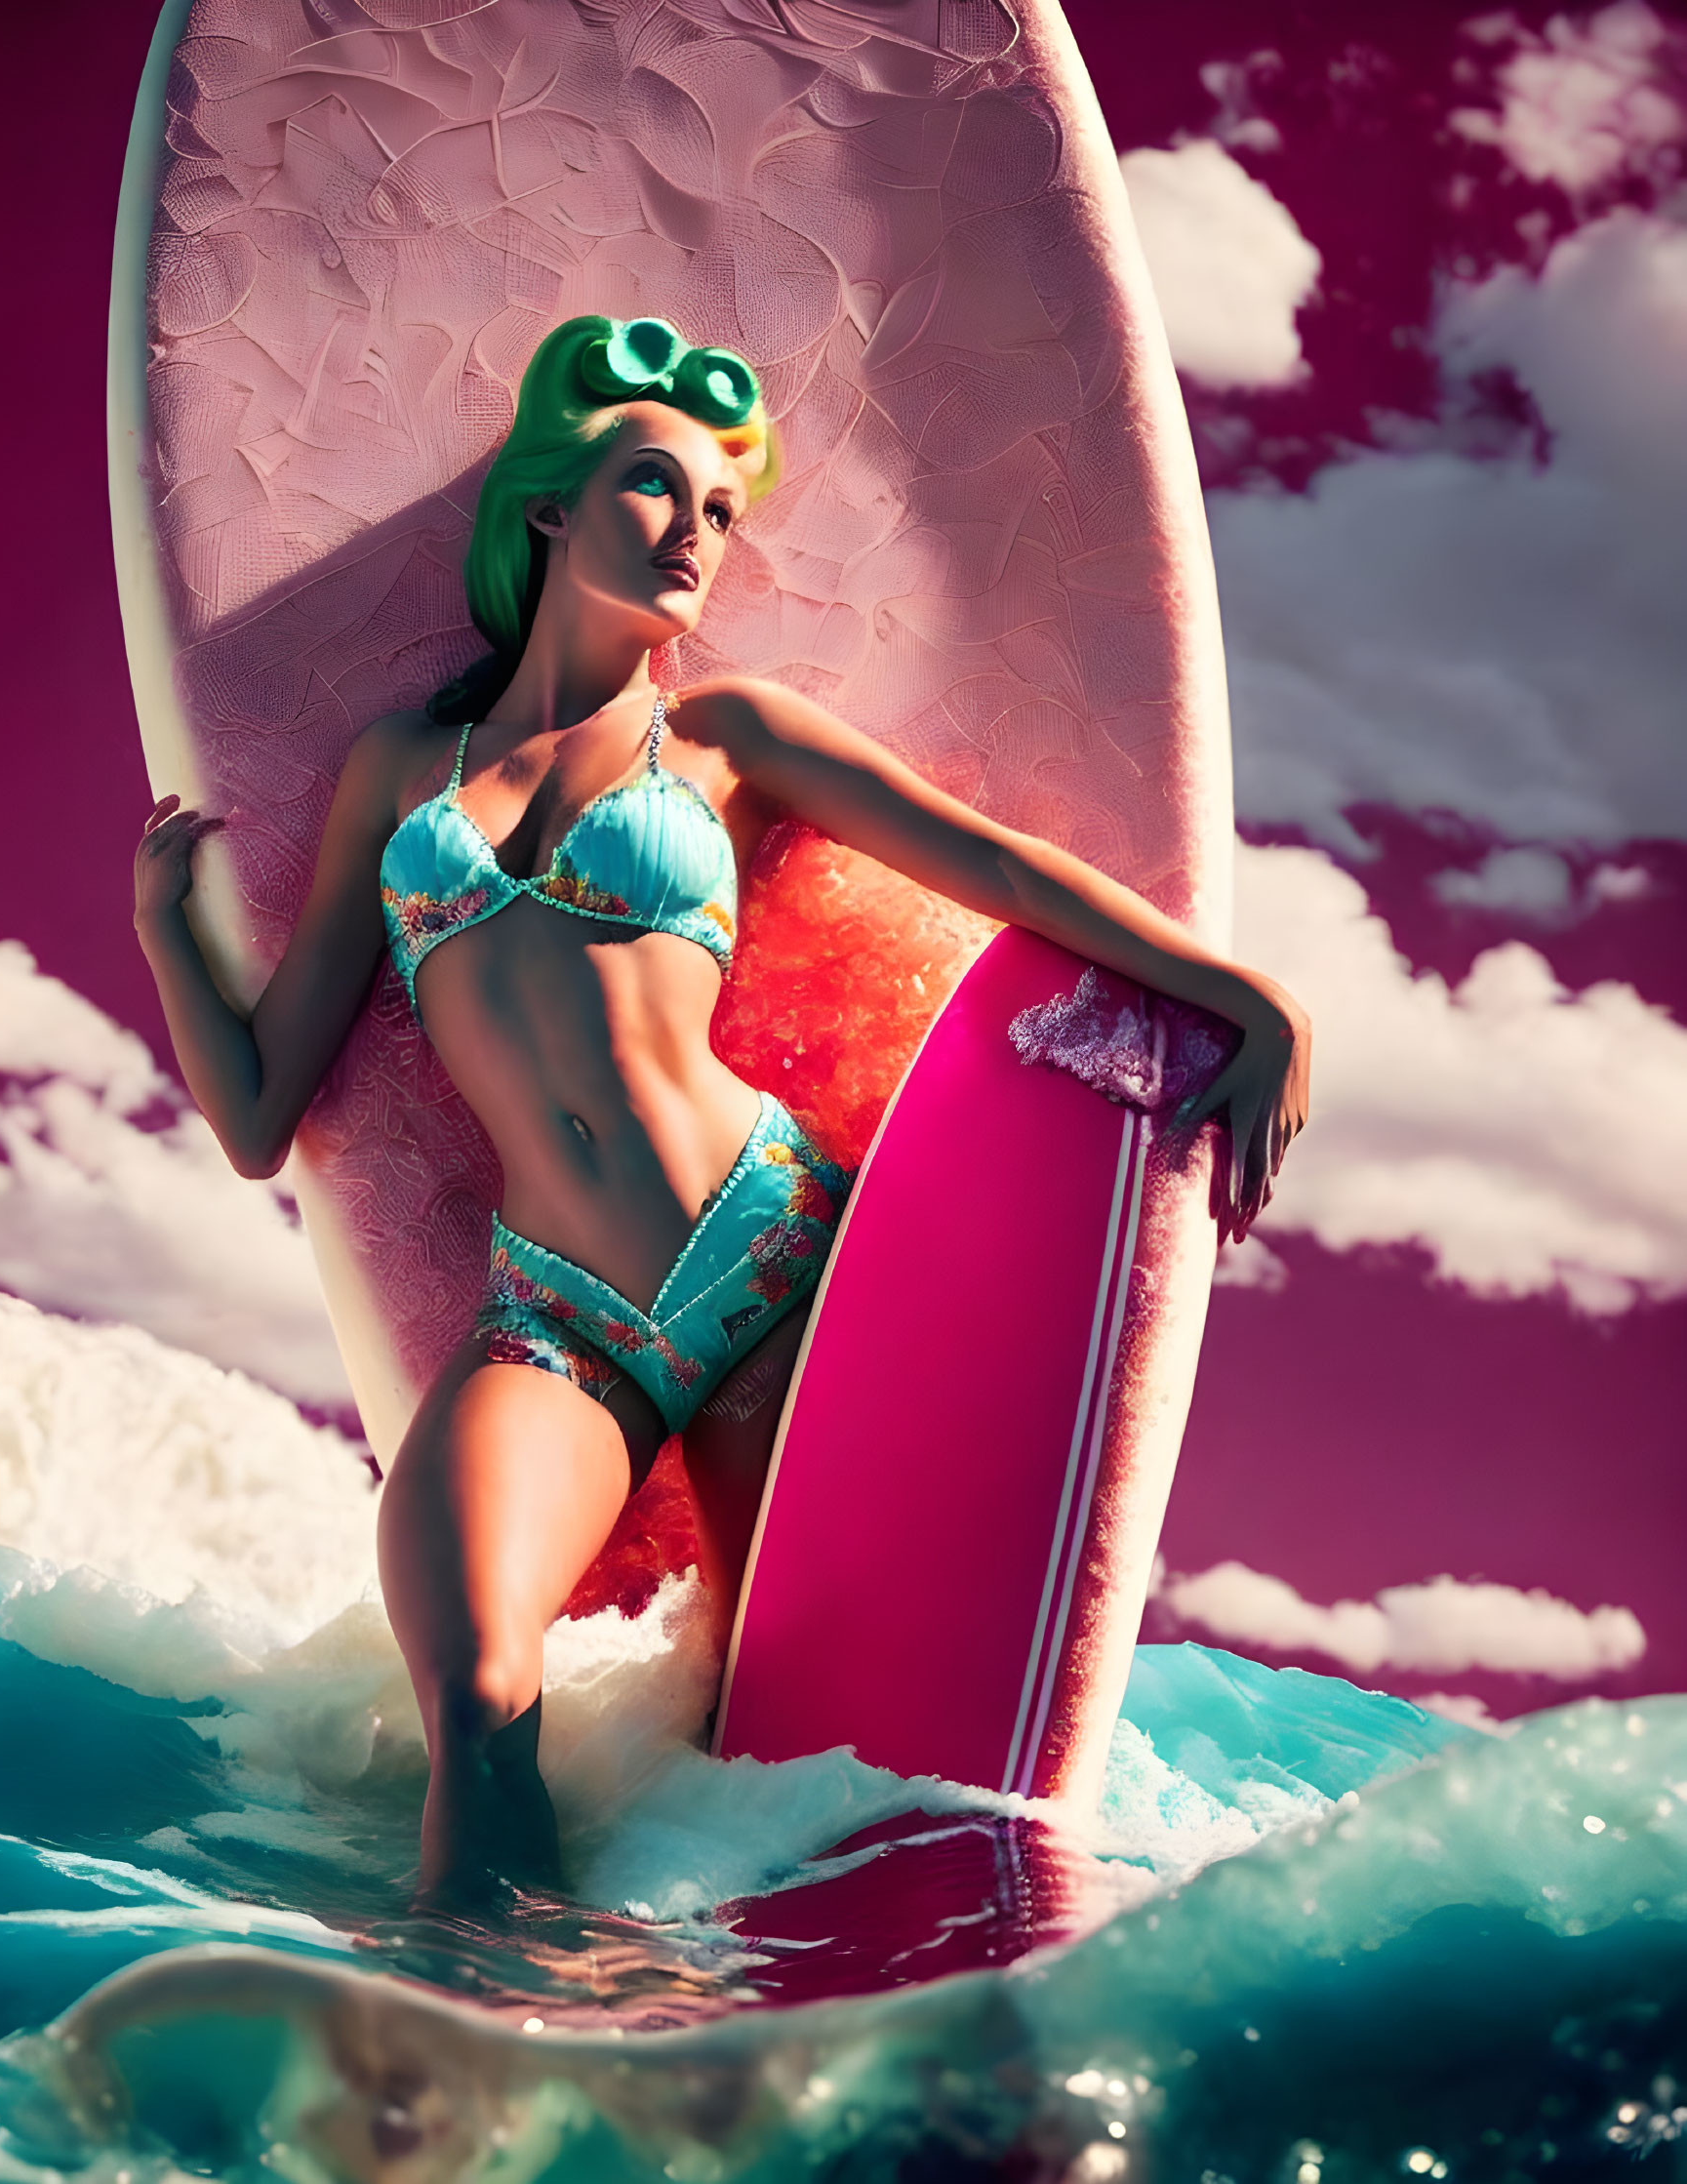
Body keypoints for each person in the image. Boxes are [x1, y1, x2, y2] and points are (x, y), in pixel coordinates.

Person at [134, 315, 1309, 1906]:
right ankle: (477, 2065)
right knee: (476, 1688)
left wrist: (1247, 993)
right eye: (653, 490)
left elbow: (999, 872)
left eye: (719, 513)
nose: (695, 534)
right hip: (554, 1313)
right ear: (548, 506)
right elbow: (265, 1110)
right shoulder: (397, 770)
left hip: (769, 1262)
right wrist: (166, 942)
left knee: (803, 1751)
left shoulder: (725, 739)